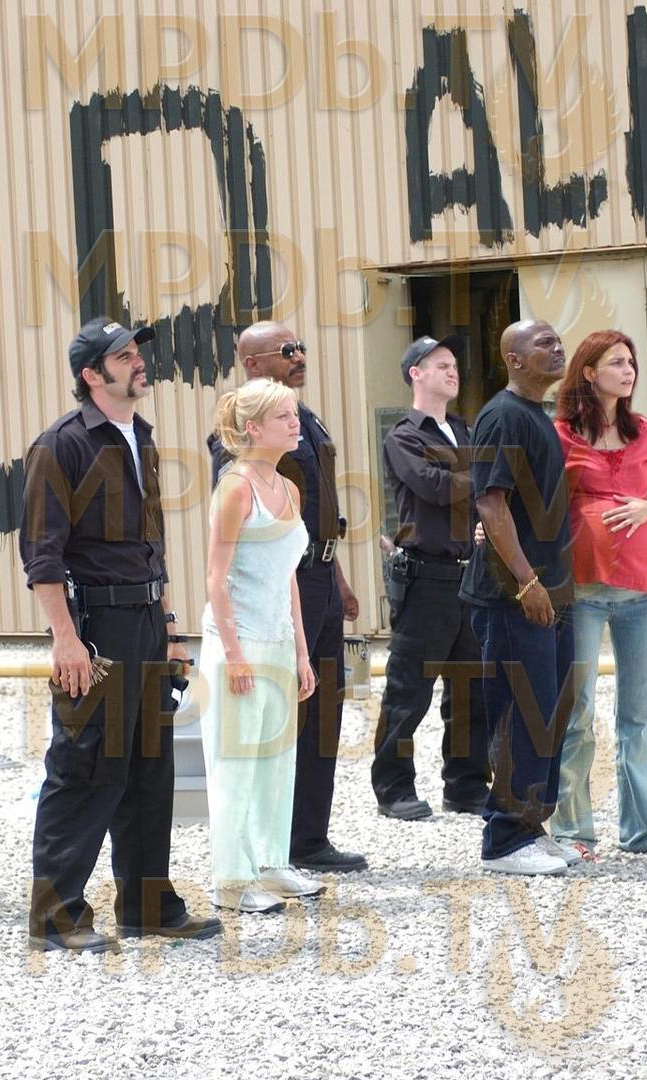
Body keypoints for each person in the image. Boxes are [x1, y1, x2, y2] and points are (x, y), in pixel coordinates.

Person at [22, 319, 223, 953]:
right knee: (85, 768)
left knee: (148, 768)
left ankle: (147, 905)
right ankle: (56, 916)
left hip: (145, 622)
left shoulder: (142, 438)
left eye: (138, 353)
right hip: (96, 626)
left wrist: (169, 627)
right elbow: (42, 553)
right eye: (124, 356)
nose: (139, 362)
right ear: (92, 374)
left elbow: (149, 542)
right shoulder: (61, 446)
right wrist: (65, 639)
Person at [208, 322, 367, 874]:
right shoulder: (243, 434)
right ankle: (256, 855)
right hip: (279, 587)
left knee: (322, 707)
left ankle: (307, 838)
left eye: (301, 348)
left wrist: (338, 576)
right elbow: (241, 540)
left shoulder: (304, 420)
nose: (299, 357)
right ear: (252, 363)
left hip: (317, 572)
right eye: (286, 351)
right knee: (272, 723)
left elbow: (309, 514)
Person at [551, 331, 647, 861]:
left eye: (631, 362)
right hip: (582, 590)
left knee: (637, 717)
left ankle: (644, 830)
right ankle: (573, 832)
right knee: (577, 713)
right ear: (589, 372)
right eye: (616, 362)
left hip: (642, 593)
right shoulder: (560, 436)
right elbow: (538, 505)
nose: (628, 371)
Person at [199, 379, 321, 913]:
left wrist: (301, 652)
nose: (296, 424)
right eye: (283, 417)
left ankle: (271, 862)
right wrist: (234, 655)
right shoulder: (235, 488)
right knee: (236, 761)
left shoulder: (289, 489)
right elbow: (215, 577)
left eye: (295, 414)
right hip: (239, 641)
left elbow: (288, 574)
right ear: (253, 428)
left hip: (277, 640)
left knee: (277, 760)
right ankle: (231, 879)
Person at [462, 320, 579, 876]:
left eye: (558, 341)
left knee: (552, 711)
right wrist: (528, 583)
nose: (557, 349)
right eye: (543, 343)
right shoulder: (503, 416)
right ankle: (505, 839)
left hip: (552, 595)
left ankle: (531, 825)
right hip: (514, 597)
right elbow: (491, 504)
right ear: (514, 358)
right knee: (523, 713)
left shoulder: (537, 416)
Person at [372, 336, 491, 821]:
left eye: (454, 364)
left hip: (471, 576)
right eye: (441, 364)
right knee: (408, 691)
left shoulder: (464, 430)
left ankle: (466, 785)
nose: (452, 371)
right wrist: (486, 478)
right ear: (415, 374)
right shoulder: (404, 437)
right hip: (426, 580)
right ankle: (393, 788)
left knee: (471, 689)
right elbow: (433, 487)